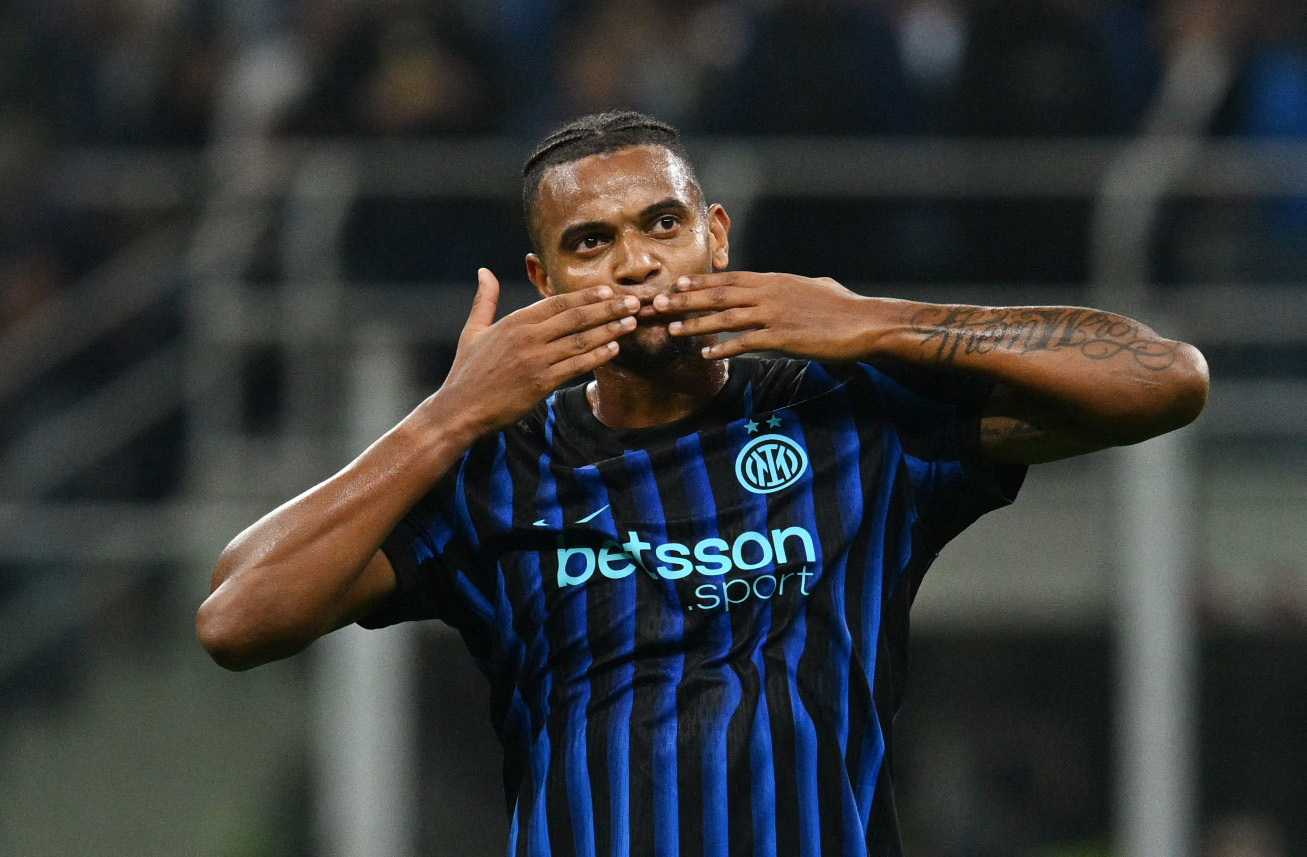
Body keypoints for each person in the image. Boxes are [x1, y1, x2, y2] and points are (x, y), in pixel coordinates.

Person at [196, 111, 1209, 856]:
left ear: (715, 235)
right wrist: (450, 412)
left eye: (660, 224)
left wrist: (878, 323)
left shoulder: (849, 416)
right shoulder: (493, 466)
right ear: (543, 283)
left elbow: (1164, 380)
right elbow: (237, 615)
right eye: (590, 244)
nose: (634, 264)